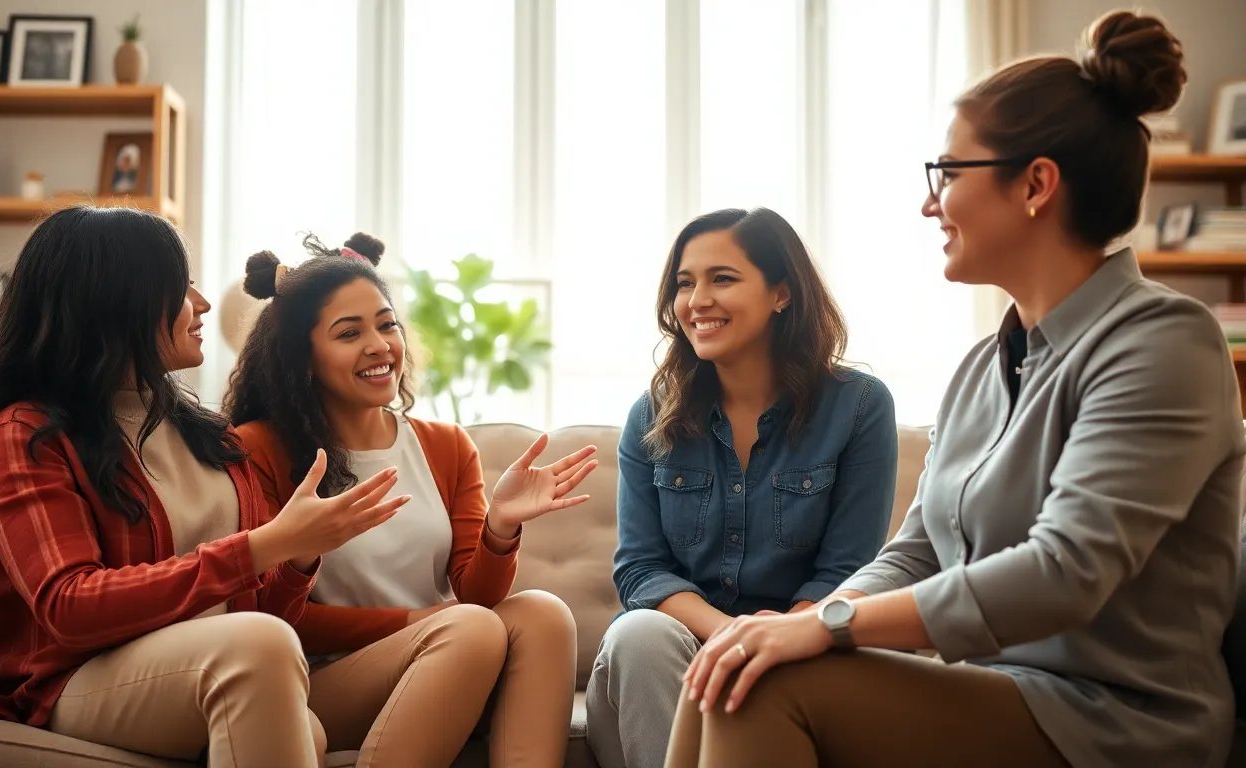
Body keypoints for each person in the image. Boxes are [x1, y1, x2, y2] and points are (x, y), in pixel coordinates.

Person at [669, 11, 1242, 768]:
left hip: (1118, 722)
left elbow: (1064, 574)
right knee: (733, 667)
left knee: (768, 684)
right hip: (998, 689)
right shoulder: (983, 366)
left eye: (948, 173)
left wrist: (826, 627)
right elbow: (914, 554)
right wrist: (794, 621)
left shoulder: (1163, 343)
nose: (929, 203)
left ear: (1036, 184)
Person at [0, 206, 410, 768]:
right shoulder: (24, 433)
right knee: (258, 654)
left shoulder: (210, 437)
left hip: (219, 668)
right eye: (182, 287)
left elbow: (267, 615)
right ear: (118, 301)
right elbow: (69, 606)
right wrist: (260, 547)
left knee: (288, 698)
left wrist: (298, 555)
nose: (204, 304)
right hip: (74, 681)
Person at [225, 233, 596, 768]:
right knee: (469, 628)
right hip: (324, 680)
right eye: (349, 333)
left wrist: (501, 527)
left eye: (386, 324)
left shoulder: (445, 446)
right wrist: (422, 623)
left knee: (543, 613)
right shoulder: (259, 448)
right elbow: (272, 618)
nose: (379, 345)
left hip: (456, 651)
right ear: (302, 358)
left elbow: (477, 595)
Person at [585, 207, 898, 768]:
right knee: (640, 635)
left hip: (800, 646)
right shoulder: (651, 416)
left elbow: (849, 569)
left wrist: (782, 637)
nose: (696, 300)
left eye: (721, 279)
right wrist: (732, 633)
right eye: (685, 283)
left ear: (782, 292)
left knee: (795, 674)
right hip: (672, 653)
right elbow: (640, 570)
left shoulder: (859, 407)